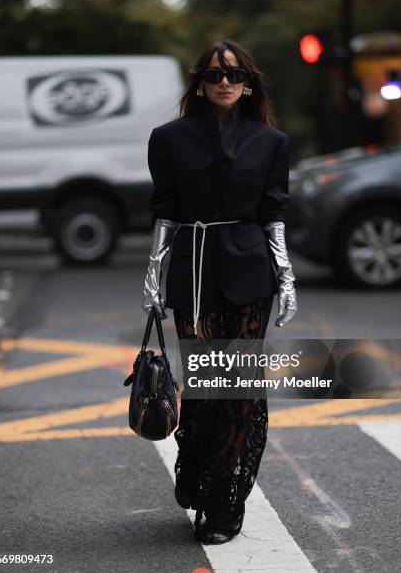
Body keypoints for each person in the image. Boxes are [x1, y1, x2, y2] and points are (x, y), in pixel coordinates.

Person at [142, 39, 297, 545]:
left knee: (238, 390)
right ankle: (195, 465)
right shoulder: (168, 138)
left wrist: (287, 276)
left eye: (233, 75)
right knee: (208, 387)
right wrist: (153, 269)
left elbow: (273, 214)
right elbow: (164, 209)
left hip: (251, 267)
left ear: (248, 83)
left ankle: (222, 502)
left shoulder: (271, 141)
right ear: (200, 84)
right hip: (194, 265)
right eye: (213, 75)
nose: (224, 83)